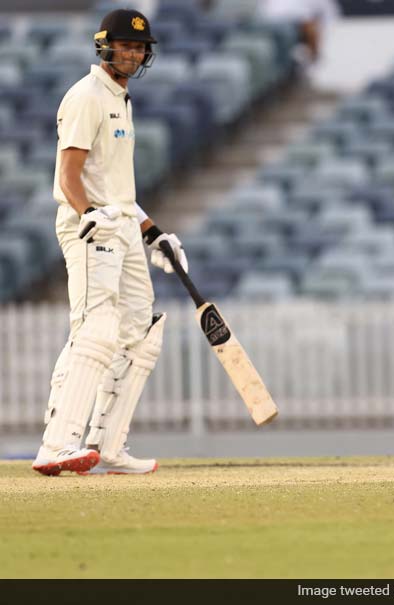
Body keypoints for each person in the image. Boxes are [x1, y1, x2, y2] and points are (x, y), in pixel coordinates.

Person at [31, 8, 187, 476]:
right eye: (127, 46)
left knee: (140, 332)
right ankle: (57, 445)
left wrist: (154, 234)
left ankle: (109, 445)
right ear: (106, 46)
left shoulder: (122, 100)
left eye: (140, 48)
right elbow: (69, 176)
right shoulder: (86, 96)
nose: (134, 54)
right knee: (96, 328)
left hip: (121, 225)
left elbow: (118, 189)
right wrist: (89, 215)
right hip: (90, 228)